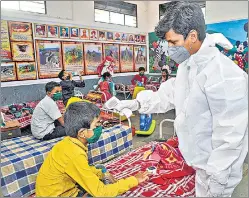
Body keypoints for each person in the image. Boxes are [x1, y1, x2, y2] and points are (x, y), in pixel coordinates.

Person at [109, 1, 248, 197]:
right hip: (200, 164)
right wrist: (135, 103)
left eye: (173, 42)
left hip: (218, 171)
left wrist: (217, 186)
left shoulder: (225, 76)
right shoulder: (189, 66)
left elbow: (229, 140)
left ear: (192, 36)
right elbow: (168, 95)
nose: (169, 48)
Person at [35, 102, 149, 197]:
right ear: (82, 133)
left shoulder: (68, 143)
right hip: (58, 195)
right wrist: (134, 180)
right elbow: (101, 193)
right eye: (96, 126)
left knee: (99, 169)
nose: (100, 128)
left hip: (57, 190)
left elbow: (82, 169)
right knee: (110, 192)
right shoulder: (74, 154)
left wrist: (102, 174)